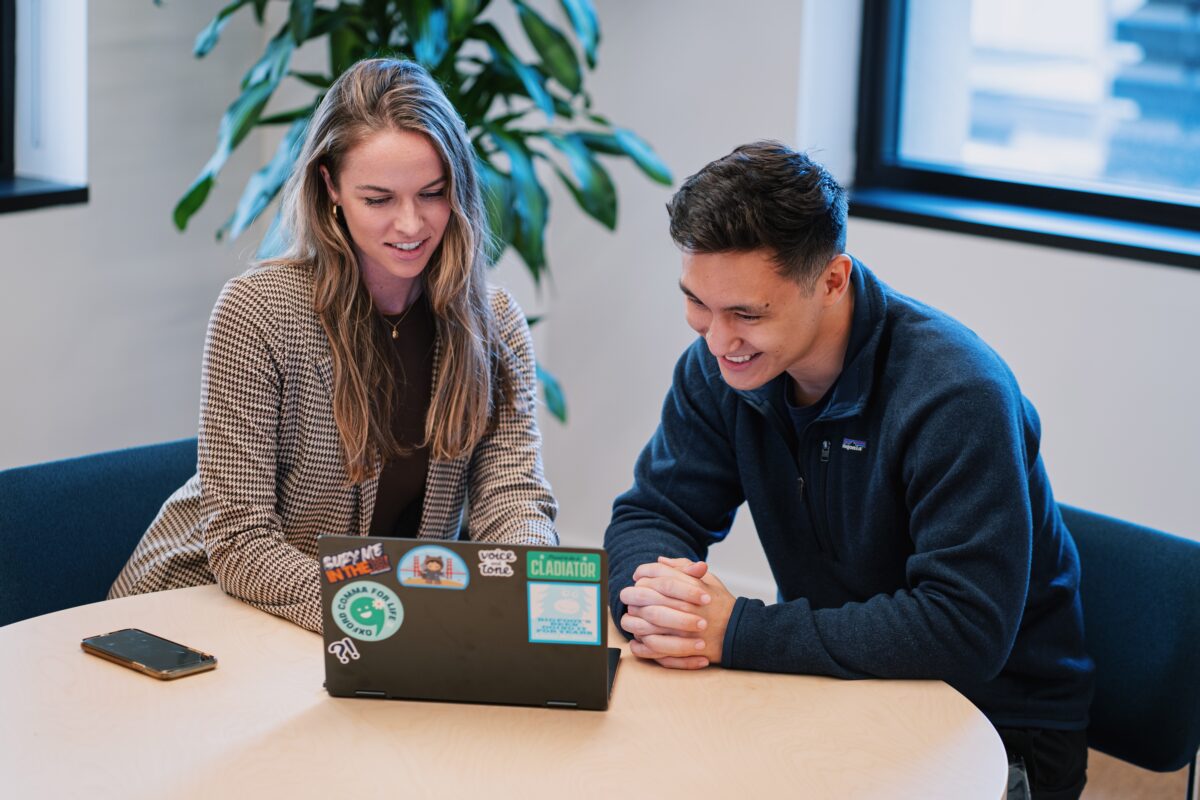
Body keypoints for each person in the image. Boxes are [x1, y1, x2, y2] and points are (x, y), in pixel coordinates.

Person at [604, 141, 1093, 799]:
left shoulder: (955, 396)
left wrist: (736, 631)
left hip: (995, 719)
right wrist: (654, 600)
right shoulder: (725, 370)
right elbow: (652, 512)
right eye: (698, 303)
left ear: (831, 280)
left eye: (747, 313)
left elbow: (963, 629)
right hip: (832, 682)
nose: (717, 340)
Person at [110, 58, 557, 632]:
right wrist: (389, 615)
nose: (410, 224)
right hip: (202, 612)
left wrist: (526, 589)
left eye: (432, 193)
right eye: (378, 199)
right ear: (330, 188)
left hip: (371, 624)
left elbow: (511, 496)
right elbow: (241, 542)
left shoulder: (492, 323)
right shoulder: (259, 311)